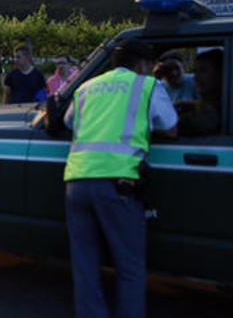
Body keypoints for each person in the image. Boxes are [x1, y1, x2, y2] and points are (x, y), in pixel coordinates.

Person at [63, 39, 178, 318]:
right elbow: (172, 127)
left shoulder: (87, 87)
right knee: (129, 268)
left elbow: (68, 121)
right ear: (141, 65)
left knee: (85, 266)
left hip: (76, 182)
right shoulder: (148, 86)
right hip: (119, 184)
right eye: (149, 67)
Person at [176, 48, 223, 135]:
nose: (196, 77)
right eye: (195, 72)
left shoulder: (210, 117)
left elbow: (171, 128)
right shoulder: (222, 105)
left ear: (221, 74)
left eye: (203, 71)